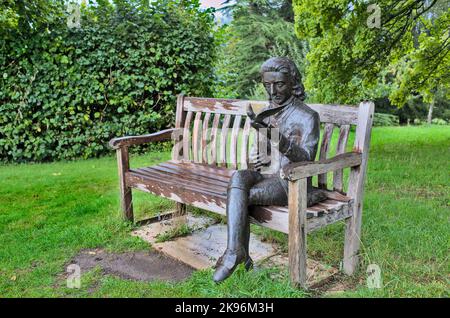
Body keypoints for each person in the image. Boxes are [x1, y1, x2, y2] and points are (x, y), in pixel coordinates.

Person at [213, 57, 326, 283]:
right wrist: (256, 158)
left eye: (279, 85)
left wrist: (273, 135)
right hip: (267, 174)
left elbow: (305, 159)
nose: (272, 91)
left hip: (290, 181)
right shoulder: (268, 111)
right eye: (267, 85)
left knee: (243, 197)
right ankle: (237, 253)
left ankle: (236, 255)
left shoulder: (307, 116)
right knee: (238, 176)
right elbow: (263, 154)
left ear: (292, 82)